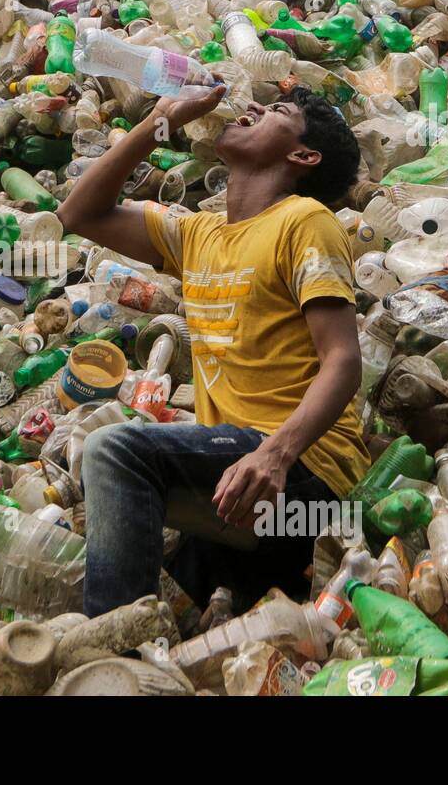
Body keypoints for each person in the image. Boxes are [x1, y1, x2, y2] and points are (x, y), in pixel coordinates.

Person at [56, 84, 369, 617]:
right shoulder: (198, 234)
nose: (250, 109)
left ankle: (109, 656)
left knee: (113, 450)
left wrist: (275, 454)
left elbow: (344, 360)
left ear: (302, 155)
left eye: (276, 112)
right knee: (190, 617)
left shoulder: (304, 222)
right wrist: (160, 121)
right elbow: (78, 215)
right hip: (233, 492)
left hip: (303, 478)